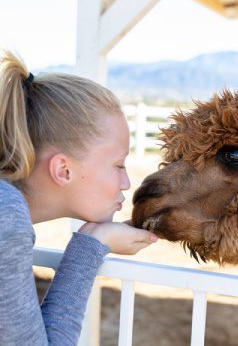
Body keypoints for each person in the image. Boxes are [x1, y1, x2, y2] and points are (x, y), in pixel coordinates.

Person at [0, 50, 157, 345]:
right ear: (64, 169)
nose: (126, 183)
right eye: (118, 165)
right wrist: (90, 246)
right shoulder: (6, 216)